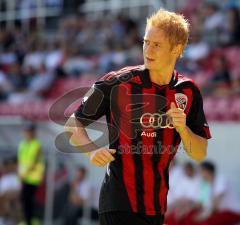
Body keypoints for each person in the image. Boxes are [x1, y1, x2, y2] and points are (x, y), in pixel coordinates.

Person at [65, 8, 211, 225]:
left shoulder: (188, 91)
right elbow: (72, 124)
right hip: (118, 201)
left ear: (177, 48)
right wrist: (90, 150)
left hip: (156, 206)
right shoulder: (117, 82)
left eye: (157, 44)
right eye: (146, 42)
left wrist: (183, 129)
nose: (148, 50)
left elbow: (199, 154)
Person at [17, 123, 45, 225]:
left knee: (28, 200)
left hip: (33, 178)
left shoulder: (36, 144)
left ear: (33, 132)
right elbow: (20, 161)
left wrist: (23, 174)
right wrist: (20, 175)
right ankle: (27, 220)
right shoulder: (22, 144)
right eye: (26, 131)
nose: (28, 133)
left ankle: (30, 221)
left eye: (30, 131)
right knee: (25, 200)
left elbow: (33, 162)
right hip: (24, 177)